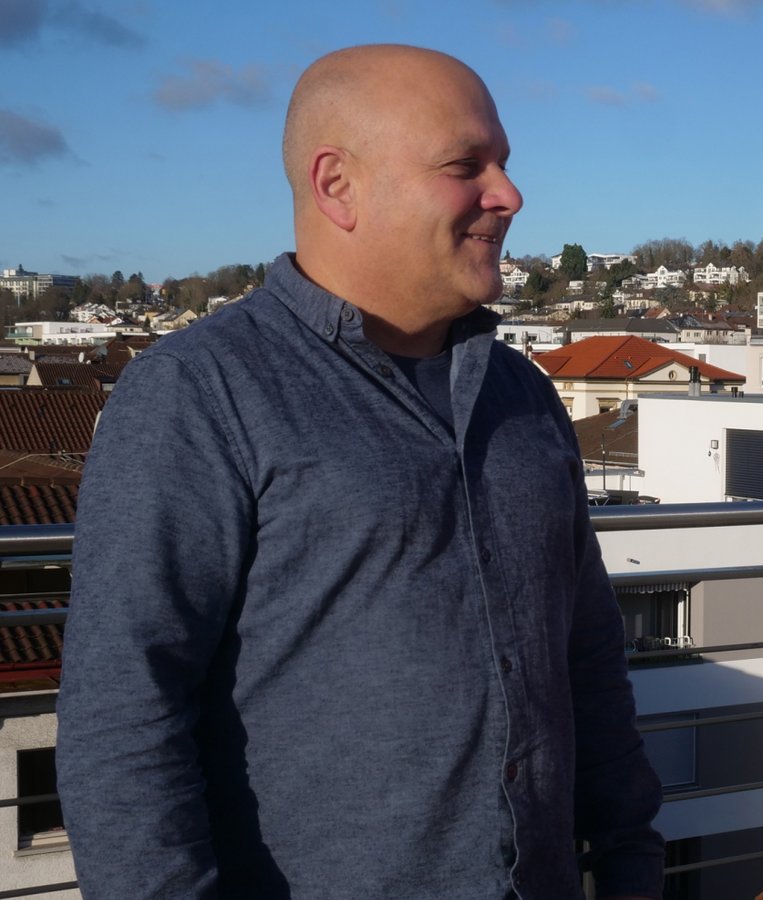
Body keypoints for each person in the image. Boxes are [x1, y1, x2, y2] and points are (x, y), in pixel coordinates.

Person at [56, 45, 663, 899]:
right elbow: (123, 724)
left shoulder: (521, 395)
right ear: (336, 185)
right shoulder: (199, 395)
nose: (510, 195)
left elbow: (587, 655)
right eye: (467, 165)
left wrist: (633, 864)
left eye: (505, 164)